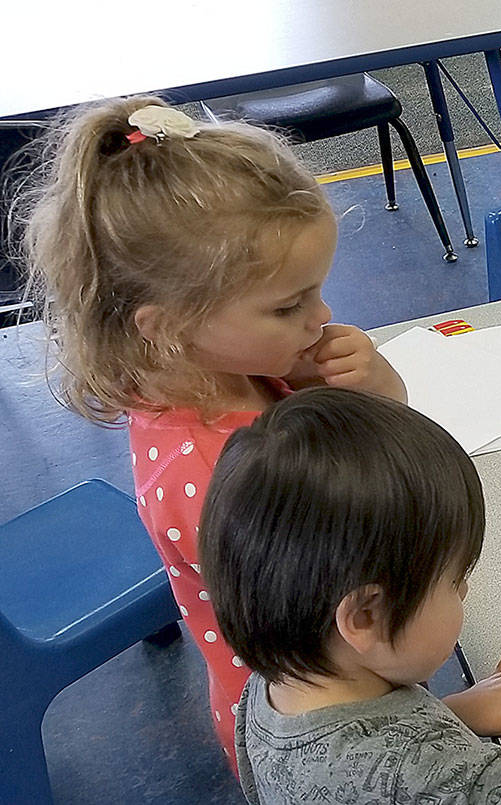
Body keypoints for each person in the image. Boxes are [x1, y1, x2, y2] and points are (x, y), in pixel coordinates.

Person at [18, 97, 406, 763]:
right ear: (166, 325)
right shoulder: (209, 474)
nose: (323, 314)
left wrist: (369, 390)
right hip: (313, 730)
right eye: (288, 305)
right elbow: (353, 594)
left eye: (315, 290)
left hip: (346, 682)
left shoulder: (228, 368)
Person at [199, 387, 501, 803]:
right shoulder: (424, 775)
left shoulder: (271, 690)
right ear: (366, 618)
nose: (466, 590)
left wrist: (453, 713)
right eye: (455, 580)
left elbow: (357, 765)